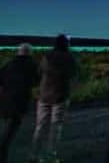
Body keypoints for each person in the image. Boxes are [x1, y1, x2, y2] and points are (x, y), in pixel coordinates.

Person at [30, 34, 77, 163]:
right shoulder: (69, 58)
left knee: (40, 126)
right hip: (60, 96)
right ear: (66, 44)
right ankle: (51, 156)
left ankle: (34, 155)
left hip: (44, 95)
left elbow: (40, 72)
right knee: (56, 127)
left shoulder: (47, 56)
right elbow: (73, 74)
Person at [0, 43, 38, 163]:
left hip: (5, 99)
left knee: (7, 127)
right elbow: (35, 82)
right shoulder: (31, 65)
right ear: (29, 53)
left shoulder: (8, 64)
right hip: (19, 101)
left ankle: (0, 156)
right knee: (9, 131)